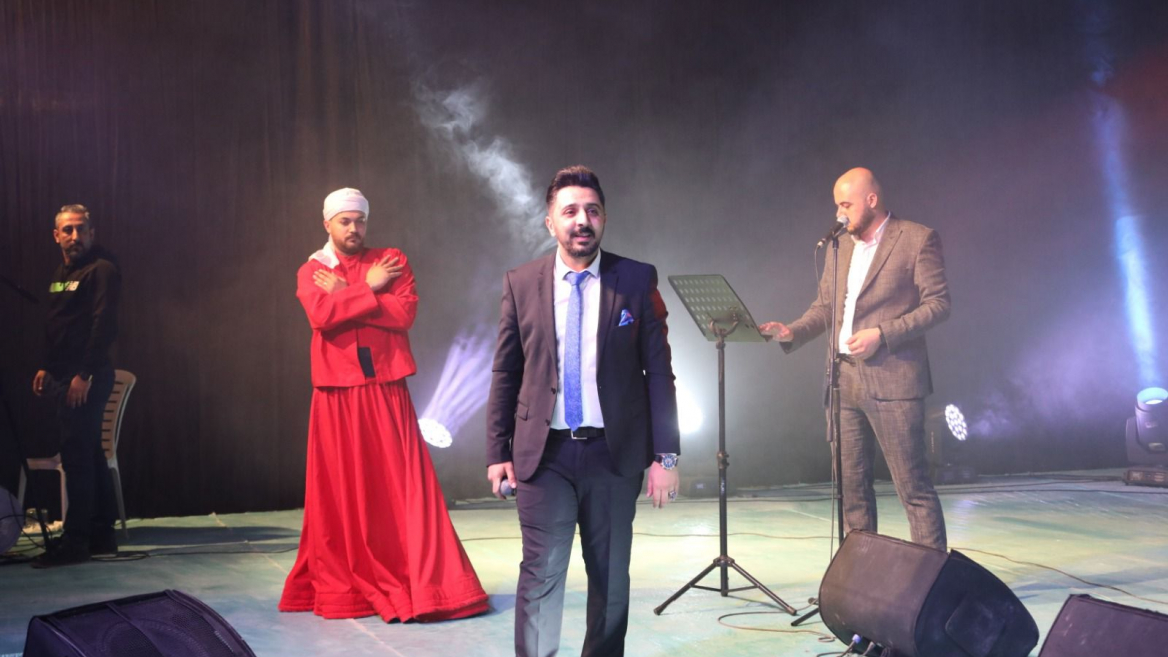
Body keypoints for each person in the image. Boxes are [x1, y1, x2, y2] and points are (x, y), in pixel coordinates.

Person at [486, 166, 681, 657]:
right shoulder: (521, 283)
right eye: (570, 211)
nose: (582, 220)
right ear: (550, 222)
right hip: (543, 456)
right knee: (541, 575)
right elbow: (506, 372)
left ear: (604, 219)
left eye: (592, 211)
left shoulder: (635, 279)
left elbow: (659, 372)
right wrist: (497, 451)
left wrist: (666, 456)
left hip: (613, 455)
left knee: (611, 579)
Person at [279, 188, 488, 622]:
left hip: (386, 391)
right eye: (345, 221)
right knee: (341, 488)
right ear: (327, 224)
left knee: (401, 485)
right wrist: (368, 289)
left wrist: (349, 293)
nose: (354, 228)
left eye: (360, 220)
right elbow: (321, 317)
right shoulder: (313, 269)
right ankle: (350, 583)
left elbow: (404, 314)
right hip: (337, 395)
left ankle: (421, 578)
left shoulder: (390, 260)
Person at [760, 167, 950, 551]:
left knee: (913, 488)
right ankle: (862, 575)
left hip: (894, 380)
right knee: (852, 490)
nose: (839, 214)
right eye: (837, 206)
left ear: (872, 200)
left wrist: (882, 334)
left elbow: (939, 304)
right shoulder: (841, 246)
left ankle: (934, 577)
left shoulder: (916, 238)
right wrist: (793, 331)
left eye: (845, 204)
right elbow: (826, 306)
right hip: (843, 379)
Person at [31, 204, 122, 568]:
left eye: (81, 229)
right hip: (62, 376)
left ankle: (76, 541)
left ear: (91, 233)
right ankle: (101, 534)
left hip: (86, 377)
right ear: (56, 235)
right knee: (88, 453)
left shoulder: (102, 270)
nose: (74, 236)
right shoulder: (61, 274)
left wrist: (84, 375)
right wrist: (45, 366)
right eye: (67, 230)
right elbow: (57, 323)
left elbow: (104, 325)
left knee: (77, 457)